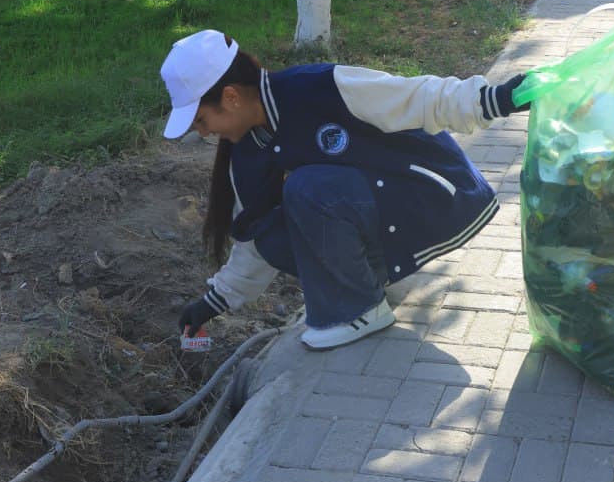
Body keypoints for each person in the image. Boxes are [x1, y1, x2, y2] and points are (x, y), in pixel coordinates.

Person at [162, 29, 528, 351]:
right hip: (388, 207)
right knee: (269, 235)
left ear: (230, 97)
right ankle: (368, 284)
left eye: (201, 120)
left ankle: (360, 310)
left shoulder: (318, 88)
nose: (204, 133)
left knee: (307, 188)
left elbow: (414, 96)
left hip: (434, 194)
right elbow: (251, 244)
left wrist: (492, 100)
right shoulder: (246, 154)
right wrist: (214, 301)